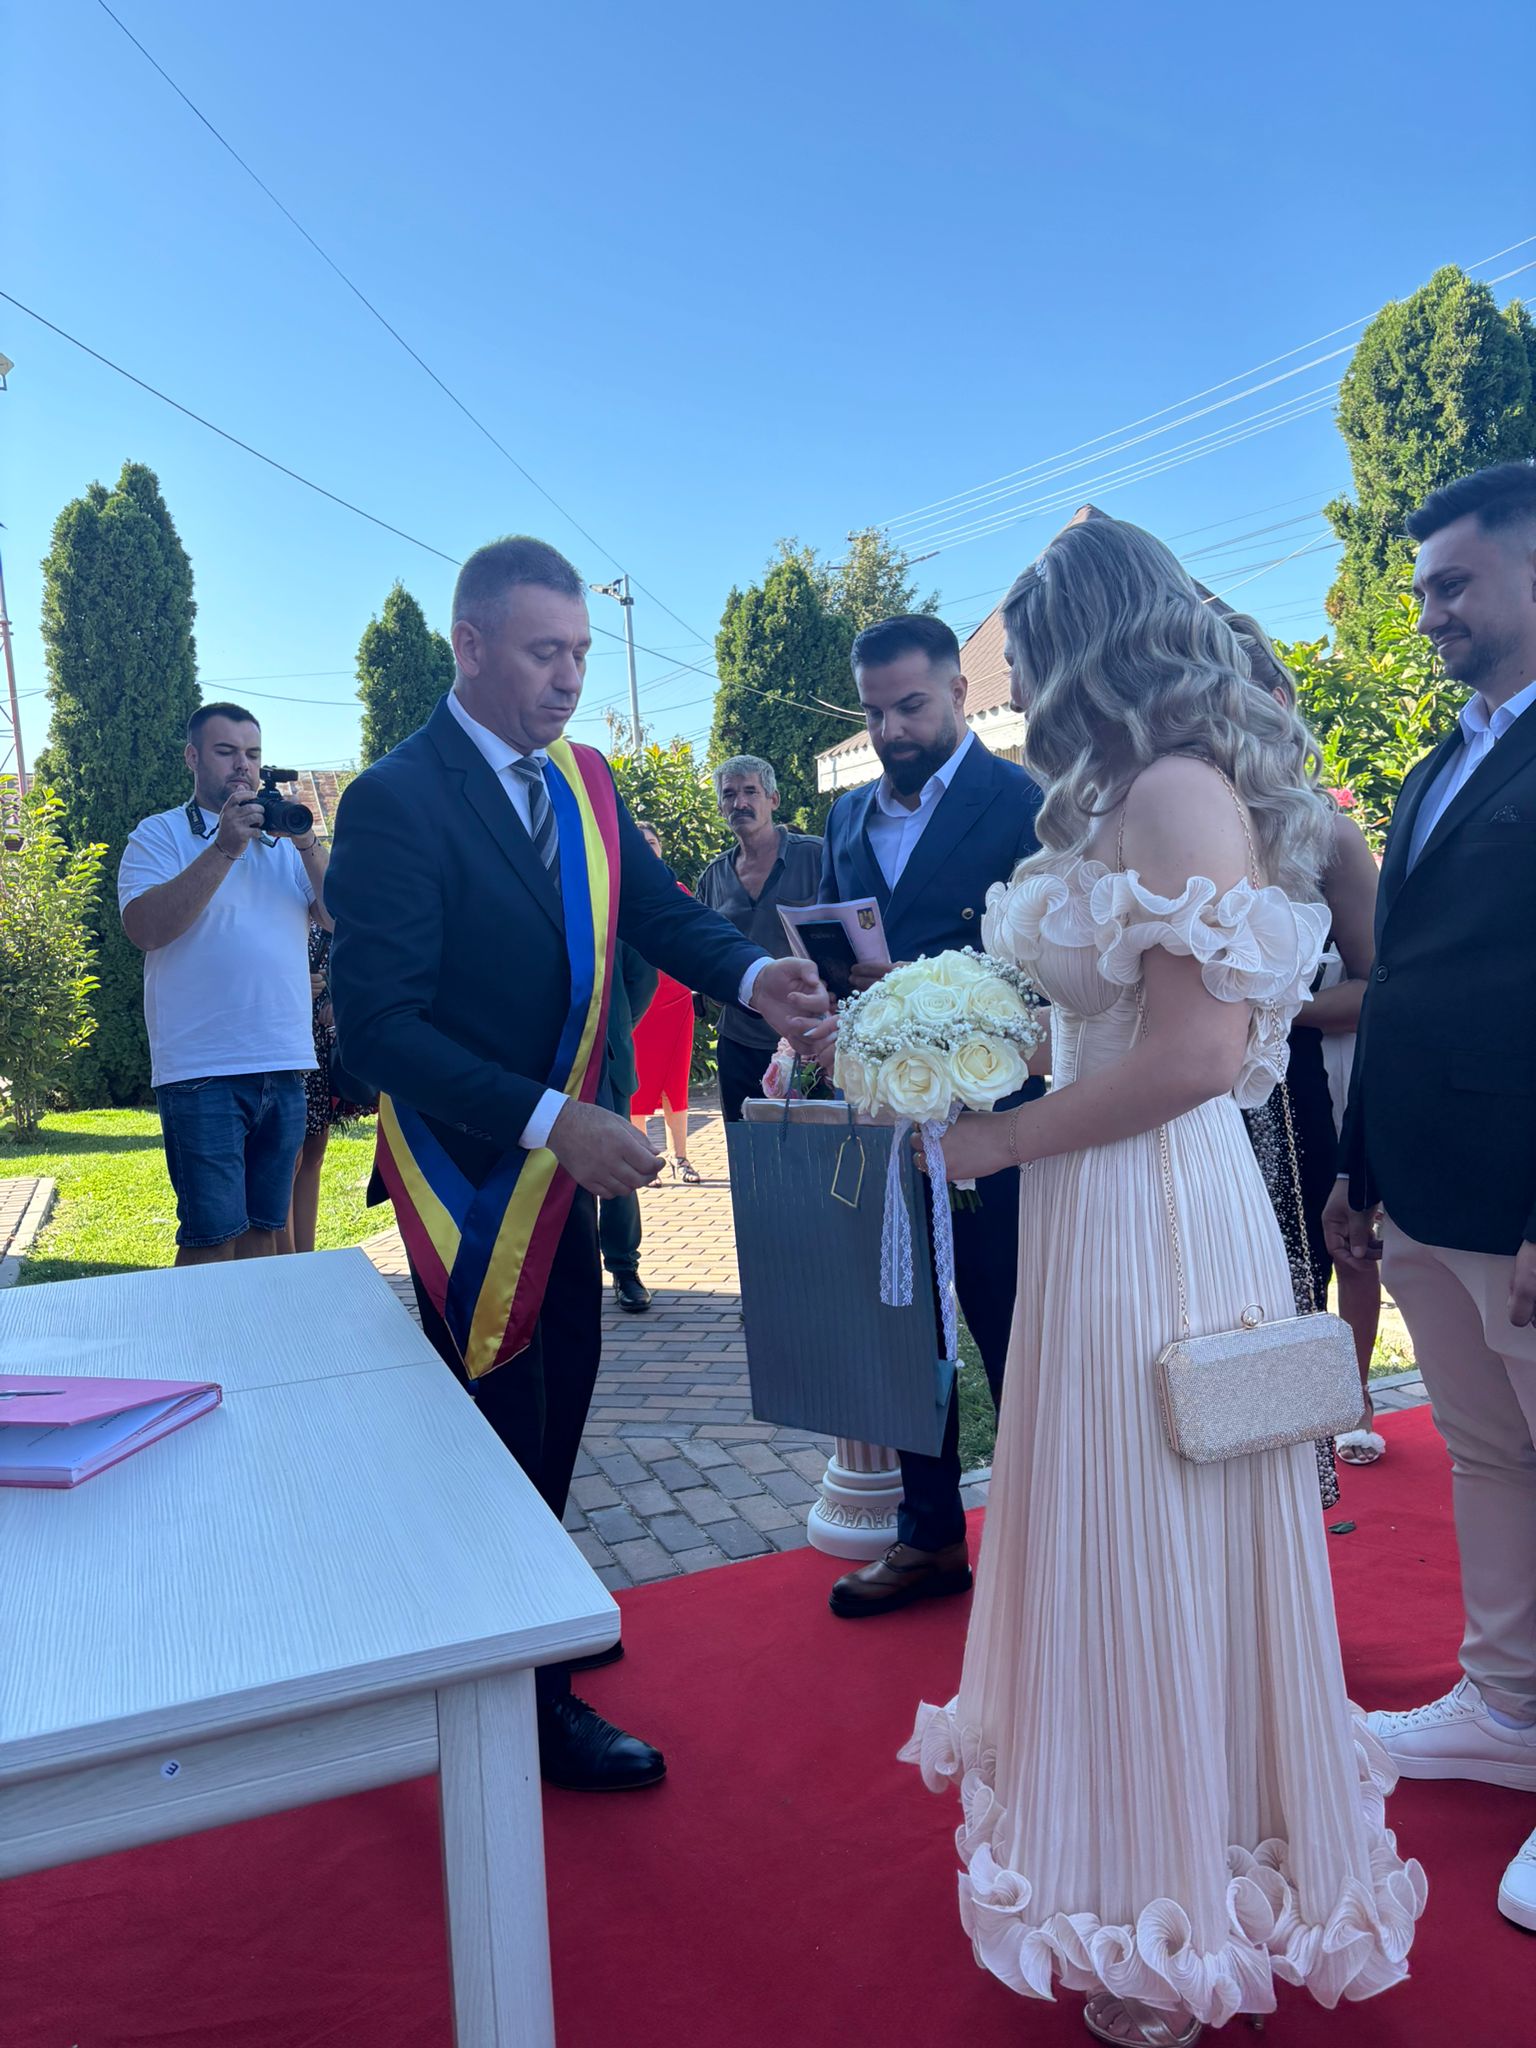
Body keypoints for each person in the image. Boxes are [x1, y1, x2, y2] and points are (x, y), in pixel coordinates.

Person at [903, 516, 1423, 2046]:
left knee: (1160, 1528)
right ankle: (1129, 1852)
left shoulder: (1179, 791)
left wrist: (1001, 1143)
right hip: (1096, 1197)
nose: (1013, 688)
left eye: (1025, 655)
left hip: (1154, 1208)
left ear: (1089, 643)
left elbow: (1199, 1057)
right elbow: (1110, 1016)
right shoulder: (1116, 796)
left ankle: (1180, 1901)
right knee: (1102, 1517)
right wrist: (945, 1043)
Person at [326, 536, 828, 1795]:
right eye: (544, 651)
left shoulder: (587, 781)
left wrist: (752, 972)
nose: (569, 678)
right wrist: (552, 1118)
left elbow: (656, 914)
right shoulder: (396, 797)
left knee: (557, 1412)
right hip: (476, 1181)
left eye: (582, 654)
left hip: (566, 1169)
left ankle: (526, 1624)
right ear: (470, 645)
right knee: (499, 1431)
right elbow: (377, 1028)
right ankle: (519, 1703)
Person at [1325, 462, 1536, 1934]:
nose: (1428, 613)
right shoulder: (1434, 765)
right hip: (1428, 1186)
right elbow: (1400, 984)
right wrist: (1361, 1170)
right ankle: (1509, 1706)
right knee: (1486, 1456)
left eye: (1453, 582)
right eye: (1422, 589)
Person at [814, 613, 1046, 1618]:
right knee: (903, 1324)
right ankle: (929, 1535)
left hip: (1000, 1112)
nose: (891, 730)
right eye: (874, 712)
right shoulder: (845, 816)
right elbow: (836, 946)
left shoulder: (1024, 802)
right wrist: (831, 986)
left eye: (910, 706)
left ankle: (1045, 1544)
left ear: (959, 689)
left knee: (1012, 1323)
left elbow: (1049, 969)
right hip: (886, 1115)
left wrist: (927, 986)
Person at [1227, 613, 1383, 1481]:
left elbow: (1380, 988)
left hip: (1291, 1099)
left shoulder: (1325, 832)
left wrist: (1273, 1008)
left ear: (1276, 703)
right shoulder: (1167, 818)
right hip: (1182, 1104)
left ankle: (1294, 1478)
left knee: (1291, 1289)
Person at [119, 703, 330, 1266]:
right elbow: (145, 929)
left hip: (284, 1061)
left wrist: (305, 841)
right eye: (226, 751)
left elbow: (340, 917)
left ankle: (252, 1328)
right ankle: (195, 1329)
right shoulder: (159, 835)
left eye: (253, 754)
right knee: (211, 1239)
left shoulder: (283, 843)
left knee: (266, 1235)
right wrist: (224, 848)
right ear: (192, 757)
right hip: (201, 1068)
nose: (244, 765)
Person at [695, 757, 823, 1122]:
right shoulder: (713, 877)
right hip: (739, 1040)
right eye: (729, 795)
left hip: (810, 1038)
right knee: (744, 1143)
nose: (740, 803)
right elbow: (702, 951)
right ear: (720, 807)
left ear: (773, 799)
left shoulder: (816, 856)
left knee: (811, 1145)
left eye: (751, 792)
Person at [284, 910, 374, 1256]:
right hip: (283, 1041)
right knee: (286, 1156)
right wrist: (292, 988)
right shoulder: (278, 907)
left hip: (318, 1044)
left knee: (313, 1150)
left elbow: (357, 962)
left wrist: (337, 1000)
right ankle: (286, 1263)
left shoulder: (326, 905)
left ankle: (305, 1259)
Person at [628, 821, 701, 1182]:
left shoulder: (679, 891)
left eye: (653, 842)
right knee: (638, 1081)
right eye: (641, 843)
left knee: (676, 1082)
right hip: (640, 1003)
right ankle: (643, 1160)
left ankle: (681, 1158)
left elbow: (695, 940)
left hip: (677, 1001)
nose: (649, 848)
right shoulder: (621, 892)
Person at [599, 941, 659, 1312]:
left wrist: (617, 1029)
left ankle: (624, 1268)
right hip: (543, 1061)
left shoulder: (611, 906)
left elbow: (643, 979)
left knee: (617, 1168)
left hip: (607, 1060)